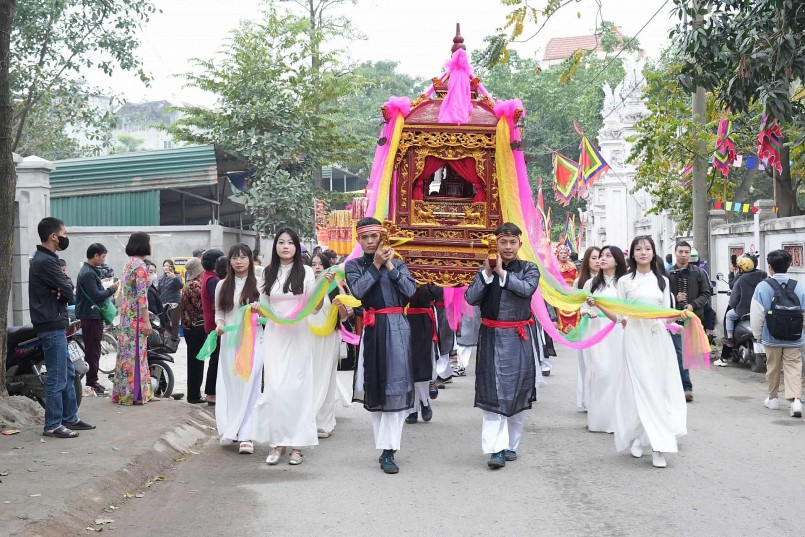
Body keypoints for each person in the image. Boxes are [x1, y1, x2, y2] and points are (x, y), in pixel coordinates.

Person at [592, 235, 687, 468]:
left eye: (647, 248)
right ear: (632, 254)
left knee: (658, 390)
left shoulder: (663, 281)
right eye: (638, 249)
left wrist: (678, 317)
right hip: (634, 339)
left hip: (657, 341)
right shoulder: (624, 282)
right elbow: (621, 318)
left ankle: (657, 445)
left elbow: (666, 313)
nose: (643, 252)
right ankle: (639, 437)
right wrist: (601, 305)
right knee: (640, 389)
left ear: (653, 253)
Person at [465, 223, 540, 469]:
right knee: (492, 393)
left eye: (512, 242)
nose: (508, 247)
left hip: (518, 336)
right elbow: (470, 298)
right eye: (503, 242)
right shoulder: (484, 271)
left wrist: (501, 273)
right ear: (495, 244)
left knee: (517, 392)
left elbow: (526, 289)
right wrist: (488, 274)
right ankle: (495, 449)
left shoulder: (529, 269)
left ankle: (510, 445)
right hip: (491, 335)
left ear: (520, 244)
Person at [345, 217, 416, 474]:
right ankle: (383, 445)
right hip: (374, 330)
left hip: (397, 327)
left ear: (382, 237)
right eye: (364, 237)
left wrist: (390, 267)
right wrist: (375, 266)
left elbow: (410, 291)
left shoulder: (398, 263)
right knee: (377, 387)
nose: (370, 241)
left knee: (396, 387)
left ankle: (390, 450)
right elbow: (357, 292)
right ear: (358, 240)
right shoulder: (353, 265)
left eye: (374, 236)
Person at [253, 228, 319, 466]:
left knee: (298, 388)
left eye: (290, 242)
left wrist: (324, 286)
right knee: (275, 388)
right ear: (275, 246)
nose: (285, 246)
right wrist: (255, 309)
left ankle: (297, 446)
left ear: (297, 246)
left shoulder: (307, 272)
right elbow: (263, 305)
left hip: (299, 335)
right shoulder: (267, 273)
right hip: (275, 335)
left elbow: (315, 305)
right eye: (281, 242)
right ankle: (277, 442)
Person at [29, 217, 94, 438]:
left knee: (67, 371)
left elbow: (67, 289)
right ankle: (53, 424)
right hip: (50, 323)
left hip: (55, 322)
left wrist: (64, 289)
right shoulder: (46, 261)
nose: (66, 238)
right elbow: (68, 289)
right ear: (54, 236)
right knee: (57, 376)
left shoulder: (47, 259)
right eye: (64, 234)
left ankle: (69, 417)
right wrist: (63, 289)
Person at [215, 243, 264, 454]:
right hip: (229, 342)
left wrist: (258, 311)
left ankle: (247, 434)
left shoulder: (260, 285)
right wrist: (219, 325)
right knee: (233, 386)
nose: (239, 261)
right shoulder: (222, 285)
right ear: (230, 261)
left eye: (243, 257)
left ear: (250, 260)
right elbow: (220, 313)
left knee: (250, 384)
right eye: (235, 258)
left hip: (253, 342)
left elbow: (267, 317)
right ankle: (232, 427)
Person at [750, 249, 804, 418]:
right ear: (788, 266)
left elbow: (757, 314)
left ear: (770, 267)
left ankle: (773, 399)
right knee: (794, 367)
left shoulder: (762, 286)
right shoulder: (799, 286)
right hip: (794, 337)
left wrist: (758, 336)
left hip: (771, 336)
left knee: (772, 367)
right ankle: (795, 400)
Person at [581, 246, 627, 433]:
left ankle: (616, 420)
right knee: (600, 372)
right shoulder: (591, 284)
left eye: (608, 256)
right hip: (597, 331)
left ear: (617, 260)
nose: (603, 259)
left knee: (617, 373)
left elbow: (628, 308)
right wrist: (588, 311)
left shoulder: (624, 283)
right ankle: (598, 419)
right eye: (601, 256)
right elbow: (582, 307)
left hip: (618, 330)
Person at [309, 253, 352, 438]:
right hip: (309, 337)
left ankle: (324, 422)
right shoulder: (308, 287)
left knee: (327, 376)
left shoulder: (337, 288)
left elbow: (344, 317)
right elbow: (309, 310)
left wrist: (339, 305)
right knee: (311, 376)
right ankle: (308, 418)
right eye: (313, 264)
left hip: (329, 338)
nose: (317, 267)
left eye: (321, 264)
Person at [113, 232, 155, 406]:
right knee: (137, 354)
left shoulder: (129, 263)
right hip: (136, 316)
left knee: (126, 354)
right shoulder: (140, 266)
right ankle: (136, 394)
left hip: (126, 314)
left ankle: (126, 392)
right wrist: (146, 321)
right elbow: (142, 297)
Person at [668, 240, 712, 402]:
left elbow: (706, 294)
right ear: (675, 253)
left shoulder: (699, 273)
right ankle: (686, 386)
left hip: (692, 320)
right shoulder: (667, 273)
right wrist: (674, 298)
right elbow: (662, 296)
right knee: (679, 353)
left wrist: (693, 305)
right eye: (681, 252)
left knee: (686, 353)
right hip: (672, 319)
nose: (684, 255)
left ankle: (681, 385)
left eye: (687, 252)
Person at [76, 243, 119, 395]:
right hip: (91, 316)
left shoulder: (89, 271)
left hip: (92, 315)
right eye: (103, 256)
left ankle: (92, 382)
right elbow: (96, 295)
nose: (103, 259)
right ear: (95, 256)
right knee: (93, 351)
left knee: (93, 350)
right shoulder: (88, 273)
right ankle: (92, 384)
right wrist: (111, 289)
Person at [405, 285, 440, 424]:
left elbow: (438, 293)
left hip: (425, 321)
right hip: (405, 319)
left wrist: (424, 283)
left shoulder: (429, 272)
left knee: (423, 365)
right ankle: (415, 407)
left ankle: (423, 403)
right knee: (409, 365)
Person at [574, 246, 600, 411]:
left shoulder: (610, 281)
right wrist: (583, 311)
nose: (598, 261)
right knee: (587, 362)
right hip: (587, 323)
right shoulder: (580, 281)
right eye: (594, 258)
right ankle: (587, 397)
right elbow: (574, 305)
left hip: (605, 323)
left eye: (600, 257)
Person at [723, 254, 766, 348]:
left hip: (744, 310)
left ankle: (730, 338)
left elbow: (734, 298)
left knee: (729, 315)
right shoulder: (763, 276)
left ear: (741, 268)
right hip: (760, 309)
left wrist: (733, 305)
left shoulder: (741, 279)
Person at [200, 249, 225, 405]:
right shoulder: (214, 281)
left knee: (216, 358)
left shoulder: (207, 277)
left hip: (211, 324)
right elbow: (218, 305)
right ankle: (211, 393)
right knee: (216, 359)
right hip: (216, 325)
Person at [180, 258, 206, 404]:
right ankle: (194, 395)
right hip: (196, 327)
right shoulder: (195, 285)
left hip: (189, 328)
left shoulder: (187, 285)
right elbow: (201, 307)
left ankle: (193, 394)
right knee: (197, 362)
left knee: (194, 361)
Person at [555, 244, 579, 333]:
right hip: (560, 294)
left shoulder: (573, 265)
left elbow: (577, 279)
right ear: (558, 254)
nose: (563, 254)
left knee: (574, 311)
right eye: (561, 253)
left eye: (565, 252)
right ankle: (561, 329)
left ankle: (574, 330)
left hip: (572, 293)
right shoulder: (554, 266)